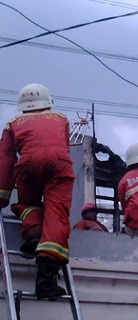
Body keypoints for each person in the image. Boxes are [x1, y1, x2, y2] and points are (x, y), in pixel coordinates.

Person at [0, 83, 75, 300]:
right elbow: (63, 147)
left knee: (27, 203)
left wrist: (2, 195)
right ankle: (45, 279)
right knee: (56, 213)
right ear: (48, 101)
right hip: (59, 163)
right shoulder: (61, 118)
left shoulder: (12, 124)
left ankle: (33, 233)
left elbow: (5, 160)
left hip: (27, 163)